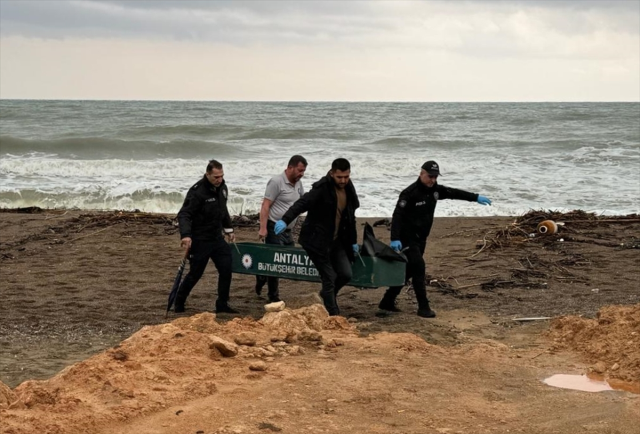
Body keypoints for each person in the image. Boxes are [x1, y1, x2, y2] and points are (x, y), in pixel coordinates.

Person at [378, 160, 492, 318]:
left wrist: (476, 197)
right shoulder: (409, 193)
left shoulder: (436, 190)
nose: (433, 180)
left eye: (435, 177)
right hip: (407, 239)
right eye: (430, 176)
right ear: (421, 174)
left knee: (409, 271)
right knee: (419, 267)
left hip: (421, 239)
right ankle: (423, 307)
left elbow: (454, 193)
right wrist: (395, 238)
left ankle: (387, 301)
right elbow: (397, 215)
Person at [274, 158, 360, 316]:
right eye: (339, 177)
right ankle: (334, 315)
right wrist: (285, 220)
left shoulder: (349, 188)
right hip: (316, 240)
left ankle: (327, 296)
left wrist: (353, 242)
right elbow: (301, 204)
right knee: (329, 277)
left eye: (346, 177)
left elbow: (351, 217)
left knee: (346, 274)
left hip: (337, 240)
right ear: (332, 173)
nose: (343, 180)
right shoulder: (322, 188)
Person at [174, 159, 238, 314]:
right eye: (216, 177)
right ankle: (179, 301)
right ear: (208, 174)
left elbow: (223, 210)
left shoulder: (222, 187)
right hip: (200, 239)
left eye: (221, 176)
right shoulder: (197, 191)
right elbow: (184, 214)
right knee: (195, 273)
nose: (219, 180)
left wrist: (229, 230)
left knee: (226, 269)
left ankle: (222, 304)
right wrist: (186, 235)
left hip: (217, 238)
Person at [254, 155, 308, 302]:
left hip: (287, 230)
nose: (301, 174)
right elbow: (265, 205)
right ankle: (273, 296)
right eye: (299, 170)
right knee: (276, 263)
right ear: (290, 167)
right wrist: (263, 228)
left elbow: (303, 202)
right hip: (273, 227)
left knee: (288, 259)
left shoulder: (298, 183)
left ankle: (261, 276)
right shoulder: (276, 181)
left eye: (303, 171)